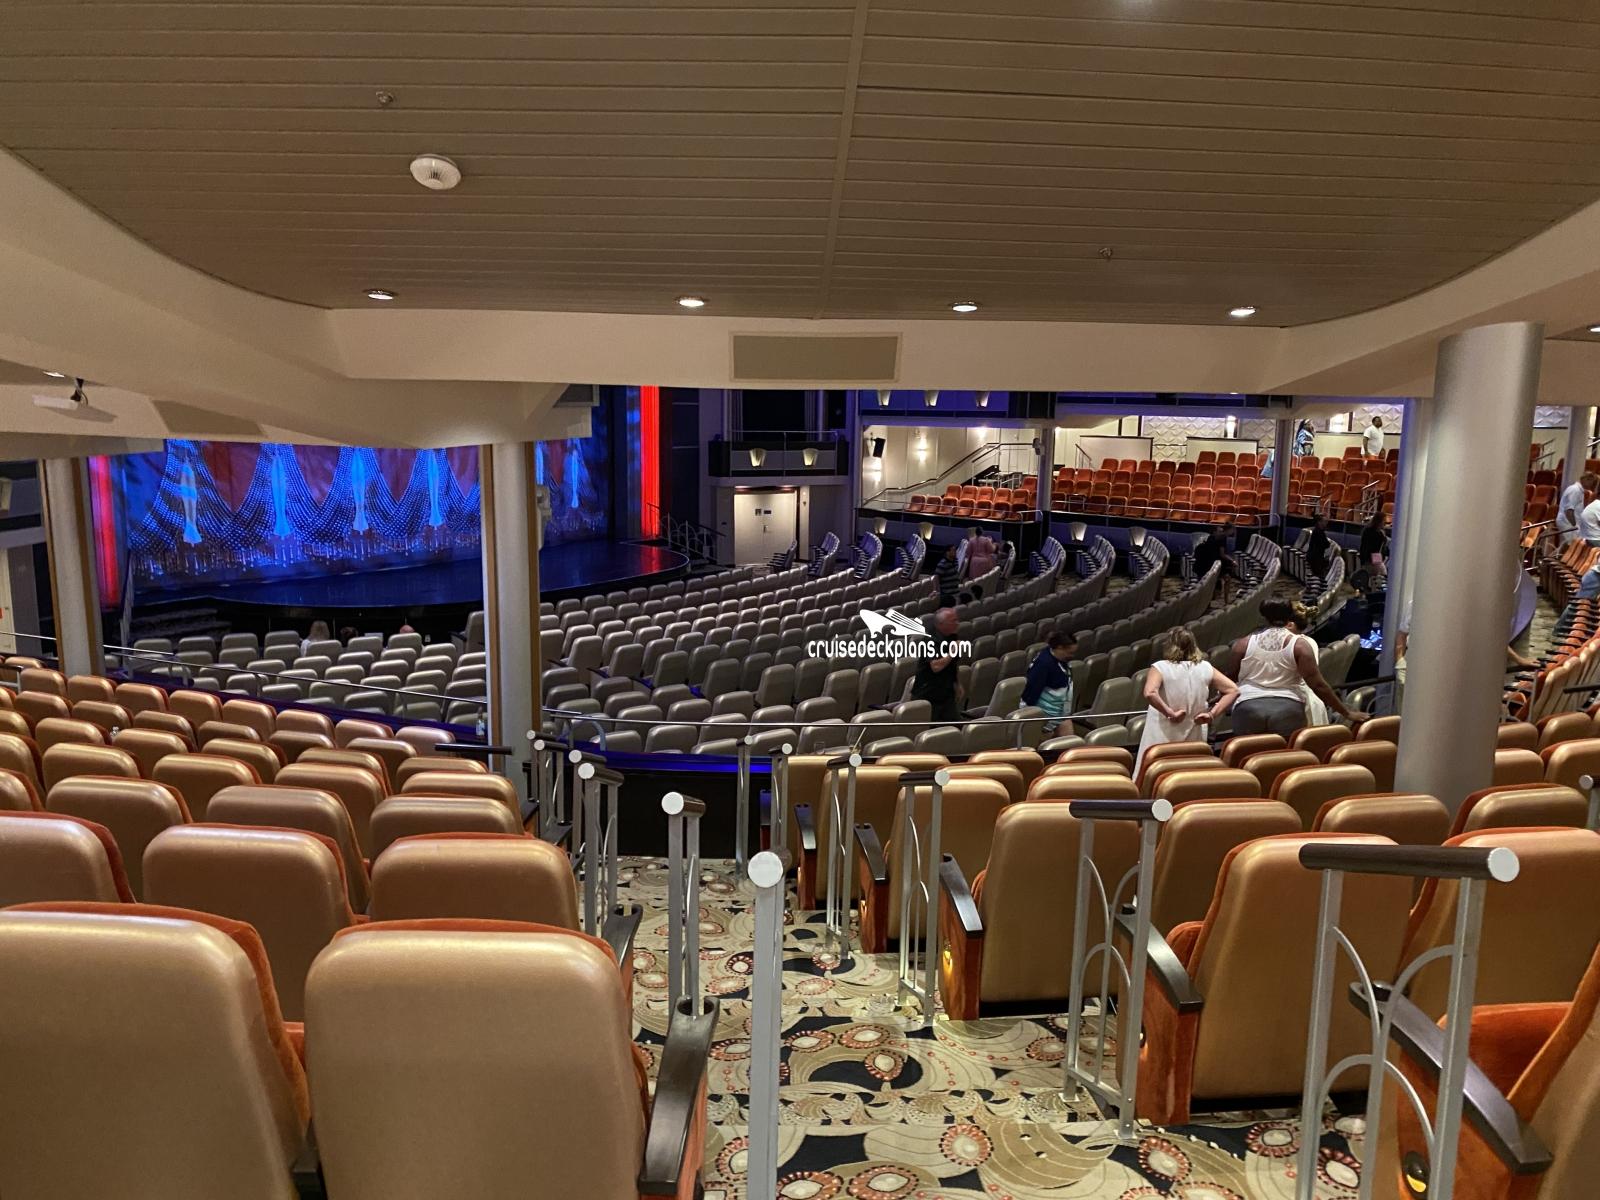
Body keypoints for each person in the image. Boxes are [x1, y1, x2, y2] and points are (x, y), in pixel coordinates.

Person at [1229, 599, 1364, 735]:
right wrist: (1346, 713)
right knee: (1288, 749)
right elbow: (1318, 685)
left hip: (1247, 706)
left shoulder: (1242, 644)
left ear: (1263, 617)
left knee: (1247, 748)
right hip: (1288, 707)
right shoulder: (1300, 645)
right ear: (1289, 616)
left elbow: (1230, 681)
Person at [1134, 628, 1238, 771]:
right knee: (1188, 771)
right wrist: (1211, 715)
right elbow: (1233, 690)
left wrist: (1170, 713)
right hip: (1194, 731)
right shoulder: (1205, 667)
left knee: (1156, 770)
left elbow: (1150, 692)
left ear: (1169, 645)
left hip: (1163, 731)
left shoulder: (1160, 667)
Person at [909, 607, 964, 722]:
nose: (957, 623)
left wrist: (957, 683)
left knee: (954, 726)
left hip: (946, 692)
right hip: (928, 694)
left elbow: (953, 663)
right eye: (953, 621)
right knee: (928, 728)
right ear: (941, 624)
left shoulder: (952, 636)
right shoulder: (929, 641)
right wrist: (952, 652)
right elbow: (936, 667)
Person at [1022, 630, 1076, 735]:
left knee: (1070, 742)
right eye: (1070, 653)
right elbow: (1031, 694)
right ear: (1059, 648)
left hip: (1060, 713)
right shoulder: (1043, 664)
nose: (1072, 656)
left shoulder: (1059, 659)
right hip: (1045, 716)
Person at [1557, 473, 1598, 545]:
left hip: (1569, 523)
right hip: (1568, 523)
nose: (1593, 486)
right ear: (1588, 480)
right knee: (1573, 545)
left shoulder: (1578, 490)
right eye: (1593, 483)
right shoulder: (1575, 490)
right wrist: (1575, 525)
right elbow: (1569, 510)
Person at [1357, 511, 1388, 590]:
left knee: (1374, 577)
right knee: (1381, 574)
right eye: (1384, 521)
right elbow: (1377, 547)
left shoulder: (1367, 530)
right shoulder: (1378, 533)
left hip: (1369, 557)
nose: (1385, 523)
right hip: (1373, 557)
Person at [1306, 514, 1332, 579]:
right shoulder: (1319, 532)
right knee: (1319, 575)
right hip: (1316, 558)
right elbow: (1326, 544)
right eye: (1325, 521)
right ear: (1319, 522)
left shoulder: (1318, 531)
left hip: (1314, 557)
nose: (1326, 523)